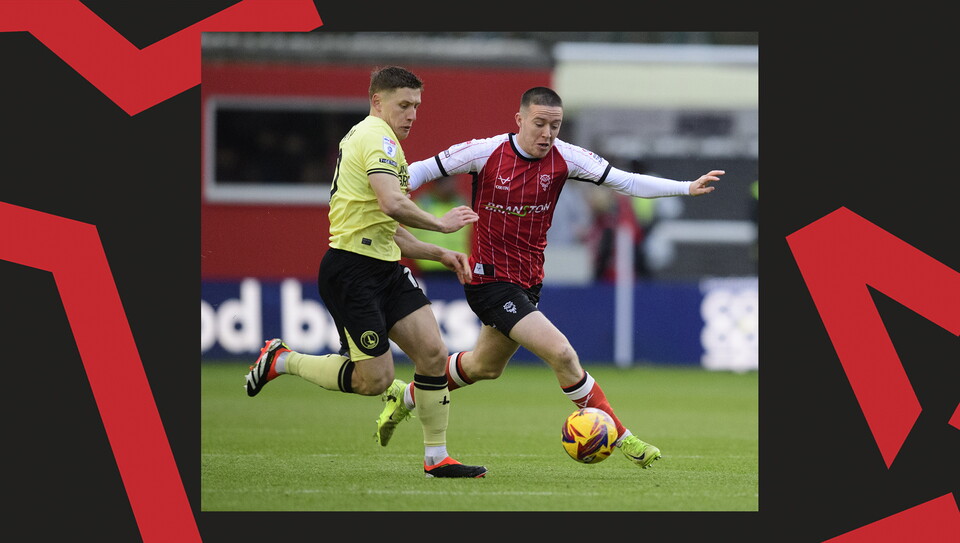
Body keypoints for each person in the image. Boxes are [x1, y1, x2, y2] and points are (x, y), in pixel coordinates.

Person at [375, 86, 724, 469]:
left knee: (483, 367)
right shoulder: (484, 151)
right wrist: (384, 195)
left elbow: (625, 181)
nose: (547, 134)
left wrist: (685, 188)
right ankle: (625, 439)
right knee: (562, 353)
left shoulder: (566, 157)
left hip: (528, 280)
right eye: (539, 124)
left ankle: (405, 397)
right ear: (520, 120)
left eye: (555, 126)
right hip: (488, 279)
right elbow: (418, 171)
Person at [243, 66, 488, 478]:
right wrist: (442, 225)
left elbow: (387, 224)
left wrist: (437, 254)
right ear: (378, 102)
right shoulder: (376, 136)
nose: (412, 114)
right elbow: (393, 203)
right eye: (404, 105)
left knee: (432, 353)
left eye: (416, 106)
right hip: (352, 270)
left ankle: (437, 458)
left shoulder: (381, 140)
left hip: (385, 267)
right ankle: (282, 359)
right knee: (373, 381)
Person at [407, 176, 471, 277]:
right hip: (429, 267)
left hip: (458, 265)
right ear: (437, 185)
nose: (450, 187)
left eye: (452, 182)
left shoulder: (462, 203)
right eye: (446, 183)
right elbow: (408, 237)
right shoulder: (421, 204)